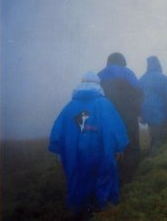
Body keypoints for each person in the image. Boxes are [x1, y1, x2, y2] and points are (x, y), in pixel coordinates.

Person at [48, 72, 129, 218]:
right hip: (101, 152)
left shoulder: (70, 107)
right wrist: (118, 147)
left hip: (75, 155)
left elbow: (58, 130)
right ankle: (102, 209)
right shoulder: (105, 104)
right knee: (103, 176)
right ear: (98, 85)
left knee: (77, 179)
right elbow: (115, 128)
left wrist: (59, 150)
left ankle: (80, 211)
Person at [98, 52, 143, 183]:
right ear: (122, 61)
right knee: (131, 146)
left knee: (109, 146)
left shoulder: (99, 75)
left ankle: (111, 177)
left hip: (107, 119)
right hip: (128, 117)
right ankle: (128, 178)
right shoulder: (128, 73)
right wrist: (137, 111)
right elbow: (140, 92)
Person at [139, 56, 167, 154]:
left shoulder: (142, 80)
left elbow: (137, 98)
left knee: (154, 138)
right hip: (162, 115)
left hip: (148, 116)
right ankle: (158, 163)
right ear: (159, 65)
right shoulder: (165, 79)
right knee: (162, 141)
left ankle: (153, 161)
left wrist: (141, 115)